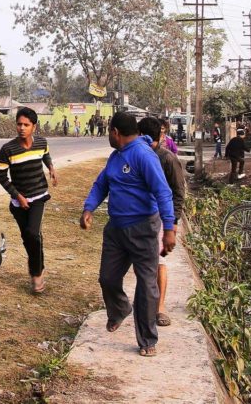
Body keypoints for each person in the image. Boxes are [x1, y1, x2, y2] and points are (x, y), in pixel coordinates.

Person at [80, 112, 176, 358]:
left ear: (115, 132)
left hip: (143, 228)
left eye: (108, 132)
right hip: (116, 229)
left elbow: (163, 191)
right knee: (107, 278)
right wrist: (89, 208)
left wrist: (169, 228)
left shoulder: (144, 156)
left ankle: (147, 339)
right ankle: (120, 308)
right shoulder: (115, 157)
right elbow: (101, 183)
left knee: (146, 286)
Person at [0, 107, 58, 294]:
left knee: (32, 234)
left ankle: (36, 275)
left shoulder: (41, 142)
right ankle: (38, 264)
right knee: (29, 238)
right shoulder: (8, 149)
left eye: (26, 125)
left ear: (34, 126)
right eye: (19, 124)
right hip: (19, 201)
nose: (22, 128)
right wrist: (17, 196)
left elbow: (45, 154)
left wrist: (51, 168)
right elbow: (1, 175)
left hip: (38, 196)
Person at [138, 117, 184, 327]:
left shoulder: (167, 159)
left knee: (159, 263)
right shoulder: (135, 155)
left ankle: (159, 308)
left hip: (161, 218)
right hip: (139, 217)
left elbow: (178, 191)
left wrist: (172, 223)